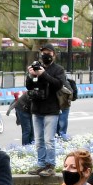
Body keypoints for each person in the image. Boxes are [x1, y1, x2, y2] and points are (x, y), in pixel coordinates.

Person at [25, 44, 67, 177]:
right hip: (36, 108)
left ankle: (50, 165)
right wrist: (31, 75)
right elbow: (29, 86)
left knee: (49, 140)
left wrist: (44, 74)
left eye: (48, 53)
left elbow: (58, 84)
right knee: (38, 140)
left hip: (51, 109)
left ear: (53, 54)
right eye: (43, 52)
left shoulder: (58, 69)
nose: (45, 55)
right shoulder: (37, 67)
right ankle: (41, 164)